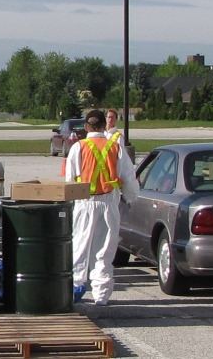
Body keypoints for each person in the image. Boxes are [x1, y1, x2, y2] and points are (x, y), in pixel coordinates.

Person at [63, 110, 140, 305]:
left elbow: (69, 180)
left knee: (80, 247)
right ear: (103, 126)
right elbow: (129, 178)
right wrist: (130, 198)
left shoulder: (78, 148)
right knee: (104, 252)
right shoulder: (115, 148)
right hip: (108, 204)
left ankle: (76, 289)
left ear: (87, 127)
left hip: (84, 203)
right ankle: (101, 296)